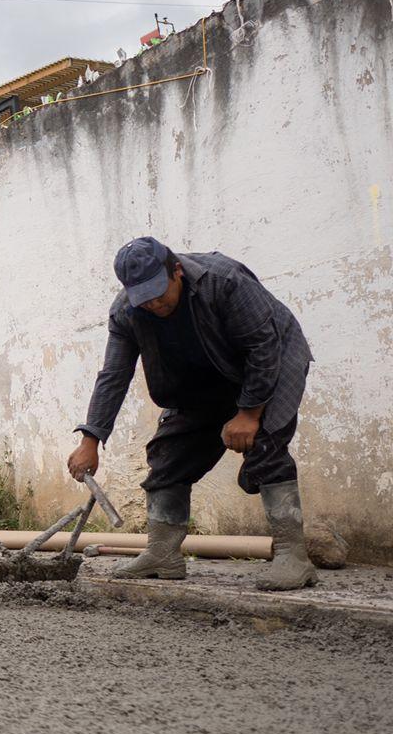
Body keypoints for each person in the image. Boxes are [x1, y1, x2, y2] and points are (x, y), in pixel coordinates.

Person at [67, 237, 338, 591]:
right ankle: (162, 552)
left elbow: (263, 346)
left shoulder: (224, 282)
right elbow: (114, 374)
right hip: (205, 378)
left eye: (158, 291)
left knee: (265, 444)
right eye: (142, 297)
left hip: (272, 360)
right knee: (169, 453)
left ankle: (293, 556)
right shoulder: (127, 313)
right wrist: (91, 439)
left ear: (176, 270)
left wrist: (249, 414)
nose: (153, 302)